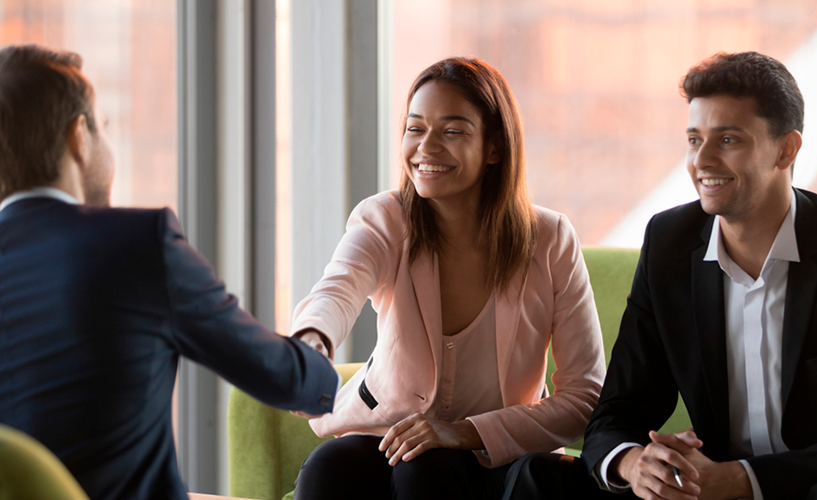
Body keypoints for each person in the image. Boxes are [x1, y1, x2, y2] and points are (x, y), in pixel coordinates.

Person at [504, 51, 817, 500]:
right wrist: (636, 464)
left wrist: (737, 479)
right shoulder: (670, 242)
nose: (702, 160)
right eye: (694, 140)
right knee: (536, 477)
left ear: (786, 149)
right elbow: (620, 409)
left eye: (728, 140)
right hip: (695, 487)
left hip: (803, 487)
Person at [0, 44, 339, 500]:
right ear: (79, 137)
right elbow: (277, 374)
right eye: (103, 127)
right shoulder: (137, 244)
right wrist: (321, 367)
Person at [290, 56, 606, 500]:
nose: (426, 148)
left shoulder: (550, 239)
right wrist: (311, 345)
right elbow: (337, 290)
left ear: (495, 148)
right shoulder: (386, 219)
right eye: (415, 128)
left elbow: (584, 396)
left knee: (426, 471)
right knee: (330, 469)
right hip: (385, 433)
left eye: (452, 131)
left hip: (490, 451)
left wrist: (465, 432)